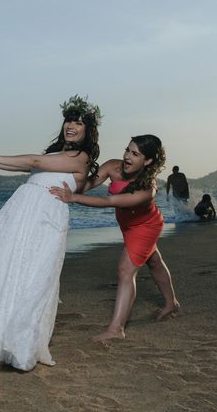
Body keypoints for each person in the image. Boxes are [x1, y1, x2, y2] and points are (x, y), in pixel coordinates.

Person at [0, 95, 101, 371]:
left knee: (32, 275)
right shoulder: (58, 153)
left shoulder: (81, 157)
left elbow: (32, 161)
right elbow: (35, 164)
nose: (71, 125)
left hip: (43, 216)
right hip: (23, 211)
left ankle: (18, 344)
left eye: (78, 123)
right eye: (69, 120)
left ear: (88, 130)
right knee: (3, 268)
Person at [51, 135, 180, 342]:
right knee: (154, 261)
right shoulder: (113, 166)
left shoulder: (148, 188)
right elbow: (88, 183)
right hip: (127, 225)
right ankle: (171, 303)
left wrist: (73, 198)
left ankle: (116, 329)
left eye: (135, 154)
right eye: (127, 150)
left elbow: (109, 200)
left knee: (125, 269)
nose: (127, 157)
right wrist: (66, 186)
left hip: (145, 227)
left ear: (147, 161)